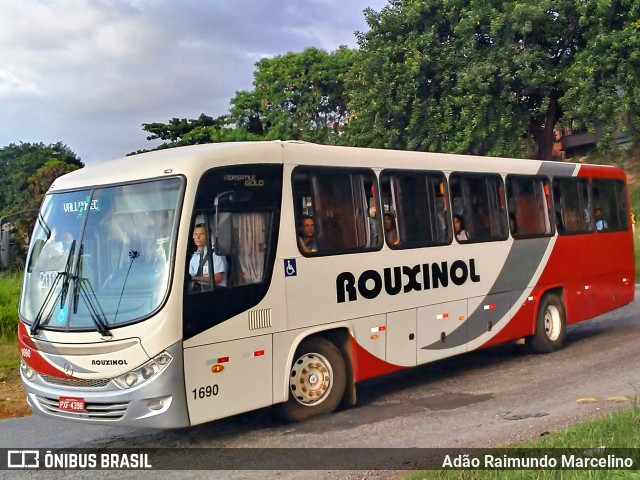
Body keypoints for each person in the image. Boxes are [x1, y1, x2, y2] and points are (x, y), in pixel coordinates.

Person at [189, 224, 227, 288]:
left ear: (208, 236)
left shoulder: (216, 254)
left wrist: (194, 278)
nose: (197, 237)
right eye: (195, 234)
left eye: (201, 234)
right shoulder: (194, 257)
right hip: (198, 289)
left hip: (215, 291)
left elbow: (218, 278)